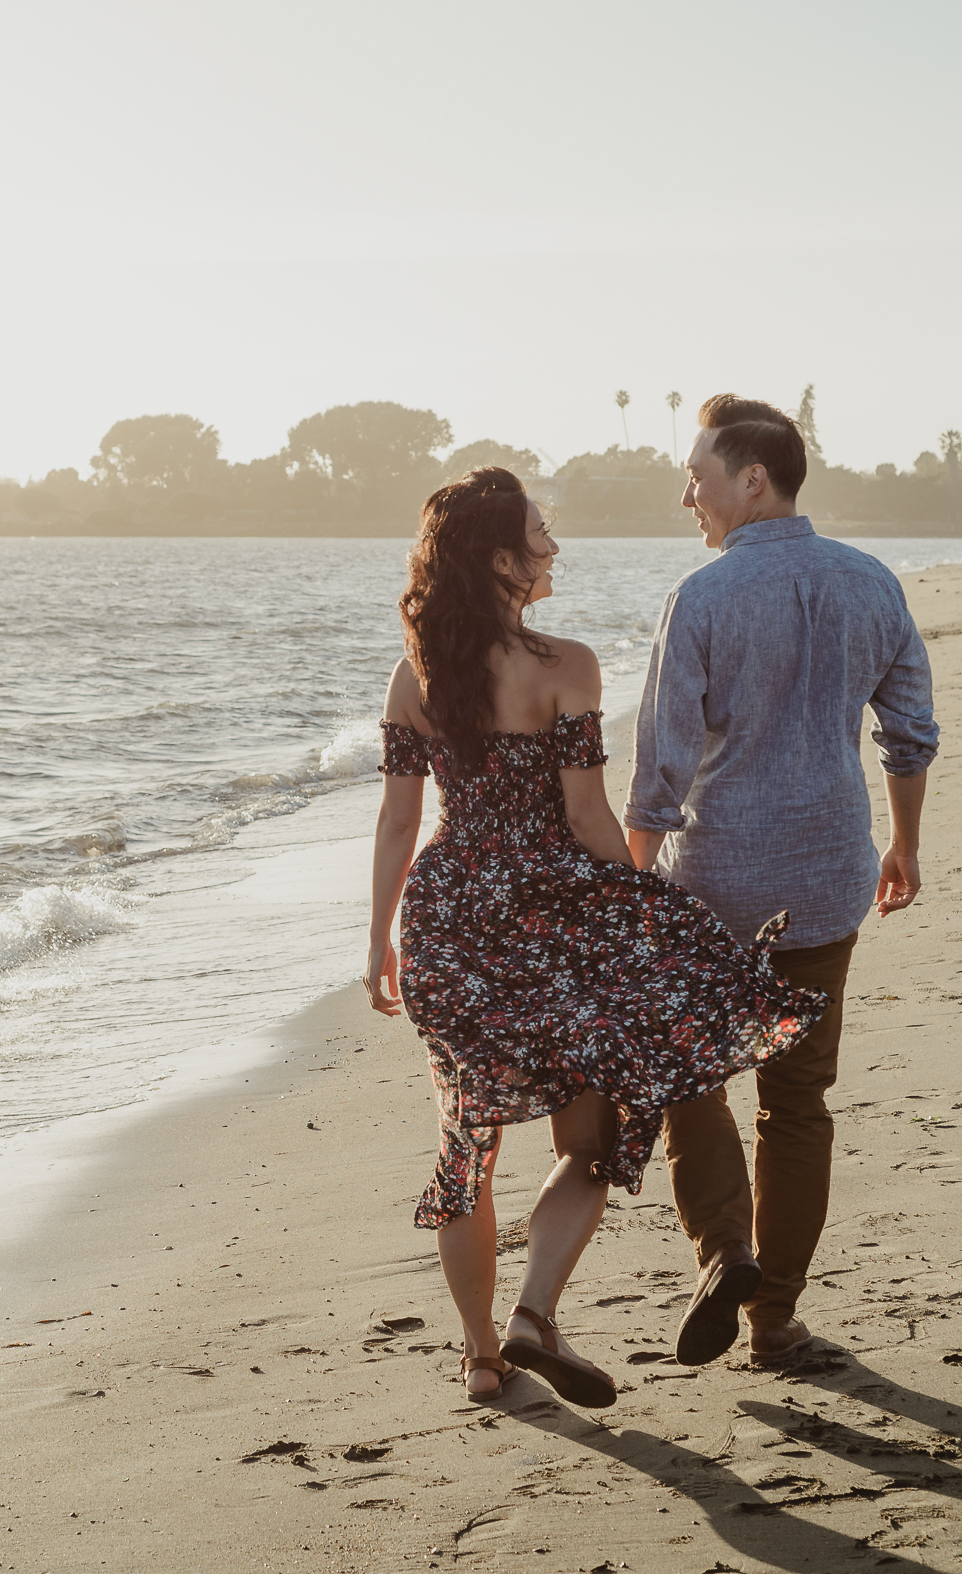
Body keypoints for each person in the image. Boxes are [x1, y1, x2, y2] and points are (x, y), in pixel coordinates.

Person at [366, 466, 829, 1409]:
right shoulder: (566, 665)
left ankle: (483, 1357)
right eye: (542, 533)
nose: (554, 547)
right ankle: (535, 1310)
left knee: (468, 1140)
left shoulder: (415, 677)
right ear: (502, 557)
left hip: (451, 917)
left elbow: (397, 824)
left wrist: (378, 939)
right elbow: (584, 816)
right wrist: (643, 906)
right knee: (591, 1139)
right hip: (554, 919)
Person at [626, 396, 938, 1372]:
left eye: (698, 476)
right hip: (826, 869)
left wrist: (634, 891)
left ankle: (725, 1253)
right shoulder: (868, 582)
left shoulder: (703, 598)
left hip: (714, 876)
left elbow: (661, 766)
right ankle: (775, 1324)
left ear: (751, 478)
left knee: (688, 1077)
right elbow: (909, 729)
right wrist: (904, 843)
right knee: (796, 1102)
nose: (688, 495)